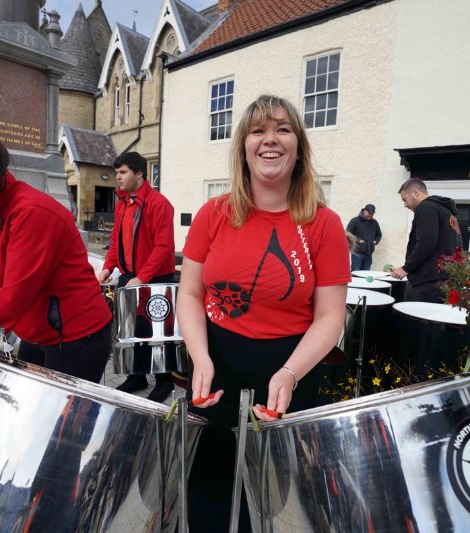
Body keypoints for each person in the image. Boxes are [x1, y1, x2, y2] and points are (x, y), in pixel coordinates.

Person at [177, 94, 351, 531]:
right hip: (215, 362)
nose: (269, 139)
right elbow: (191, 294)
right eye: (258, 130)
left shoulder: (324, 224)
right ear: (243, 147)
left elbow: (330, 317)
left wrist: (290, 373)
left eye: (282, 129)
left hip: (291, 369)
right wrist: (200, 357)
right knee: (209, 492)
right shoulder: (213, 214)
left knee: (280, 501)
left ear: (299, 149)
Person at [0, 112, 112, 383]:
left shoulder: (31, 213)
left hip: (75, 336)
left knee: (65, 424)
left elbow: (15, 294)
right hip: (38, 331)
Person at [97, 151, 176, 402]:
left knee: (158, 333)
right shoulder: (123, 203)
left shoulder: (159, 204)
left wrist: (142, 278)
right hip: (130, 276)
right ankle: (136, 376)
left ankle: (165, 381)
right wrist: (109, 267)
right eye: (117, 172)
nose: (117, 177)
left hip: (154, 278)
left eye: (123, 172)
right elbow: (115, 240)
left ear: (139, 173)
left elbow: (164, 247)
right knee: (130, 329)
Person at [390, 178, 461, 303]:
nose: (405, 205)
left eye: (404, 199)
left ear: (416, 193)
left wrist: (406, 268)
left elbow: (426, 242)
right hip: (446, 280)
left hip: (429, 283)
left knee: (418, 321)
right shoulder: (447, 212)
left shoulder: (426, 207)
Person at [345, 203, 382, 271]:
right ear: (364, 211)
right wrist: (358, 240)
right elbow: (347, 233)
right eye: (369, 213)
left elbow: (379, 235)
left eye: (372, 213)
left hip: (369, 254)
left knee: (365, 275)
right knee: (356, 273)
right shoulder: (355, 221)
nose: (370, 215)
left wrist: (376, 241)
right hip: (357, 254)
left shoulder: (375, 223)